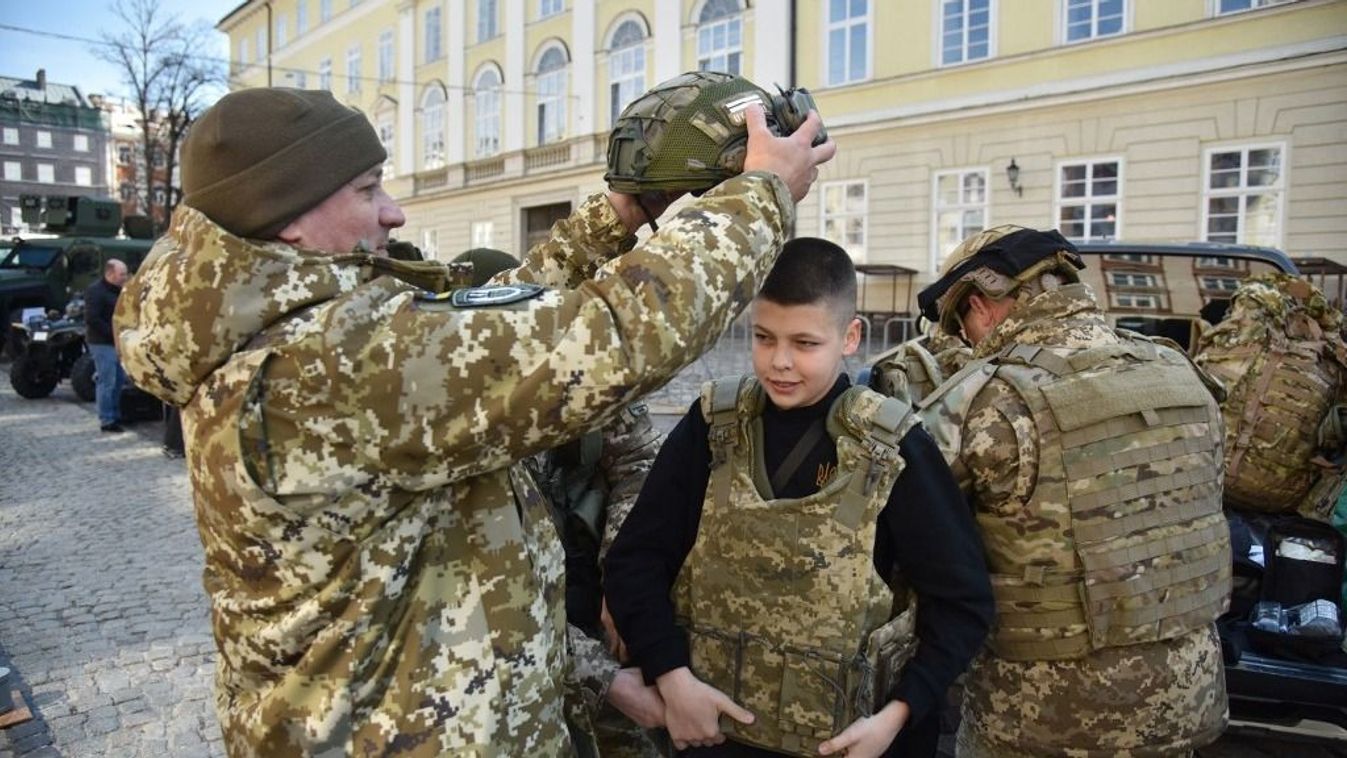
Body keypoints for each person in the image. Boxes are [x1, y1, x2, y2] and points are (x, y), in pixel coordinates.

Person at [112, 86, 833, 756]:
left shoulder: (292, 340)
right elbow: (616, 336)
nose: (393, 212)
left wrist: (616, 218)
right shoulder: (325, 364)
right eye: (367, 190)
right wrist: (762, 194)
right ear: (289, 217)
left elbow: (489, 325)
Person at [604, 238, 994, 757]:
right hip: (715, 736)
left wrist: (896, 717)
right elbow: (636, 561)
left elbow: (963, 603)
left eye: (805, 343)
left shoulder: (893, 448)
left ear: (850, 337)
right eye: (764, 338)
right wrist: (673, 679)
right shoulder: (714, 427)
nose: (779, 362)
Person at [912, 225, 1232, 757]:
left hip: (1043, 722)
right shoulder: (1180, 371)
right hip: (1184, 707)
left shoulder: (985, 400)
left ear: (980, 306)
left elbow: (912, 544)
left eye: (961, 325)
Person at [452, 247, 671, 757]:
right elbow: (494, 612)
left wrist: (621, 579)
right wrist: (603, 677)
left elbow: (639, 457)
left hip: (593, 603)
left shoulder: (569, 370)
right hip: (516, 669)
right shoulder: (453, 432)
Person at [84, 258, 128, 432]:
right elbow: (92, 318)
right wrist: (113, 334)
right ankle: (107, 419)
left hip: (117, 341)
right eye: (121, 274)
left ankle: (115, 415)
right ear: (110, 274)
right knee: (107, 381)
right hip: (102, 342)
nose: (125, 277)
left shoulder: (120, 290)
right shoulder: (95, 291)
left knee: (118, 380)